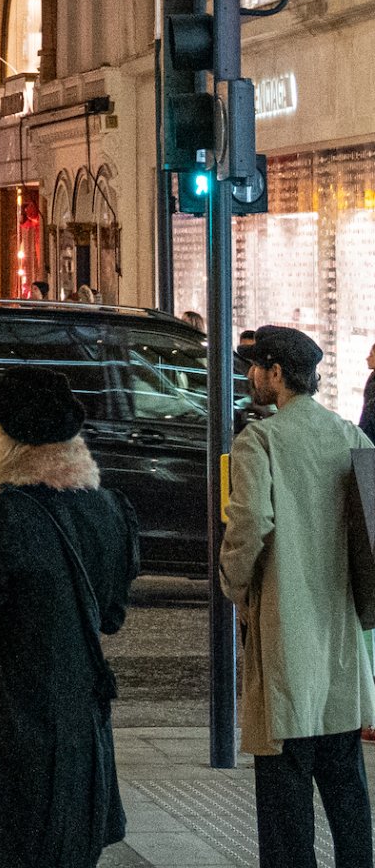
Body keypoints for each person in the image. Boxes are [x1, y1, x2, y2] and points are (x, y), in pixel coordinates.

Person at [0, 366, 140, 868]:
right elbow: (110, 616)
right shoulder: (111, 510)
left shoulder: (4, 513)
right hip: (82, 719)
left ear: (6, 441)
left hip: (14, 717)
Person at [221, 323, 375, 868]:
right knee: (347, 789)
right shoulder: (351, 437)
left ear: (277, 373)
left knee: (286, 801)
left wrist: (232, 582)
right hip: (338, 639)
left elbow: (249, 525)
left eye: (256, 368)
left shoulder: (258, 440)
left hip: (286, 634)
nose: (251, 378)